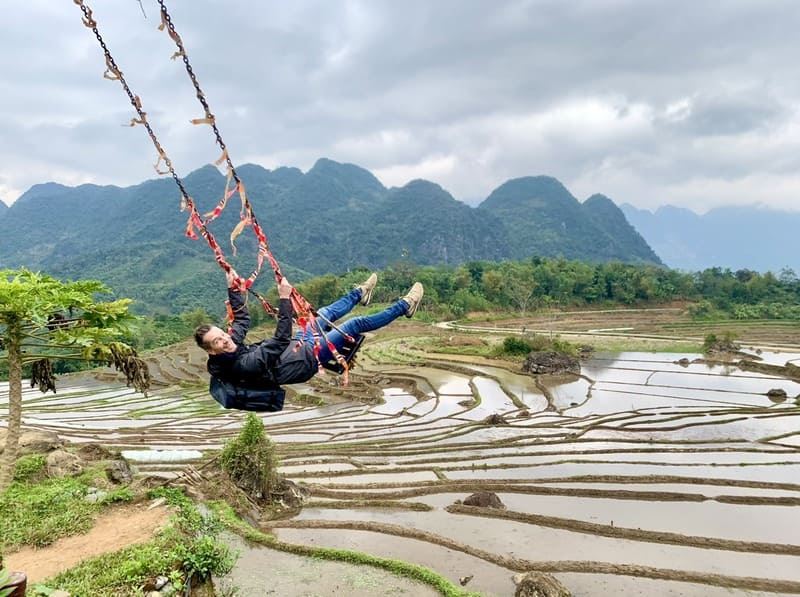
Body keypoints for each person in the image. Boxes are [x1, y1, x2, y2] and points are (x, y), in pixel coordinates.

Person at [194, 270, 424, 411]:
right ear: (211, 351)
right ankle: (405, 306)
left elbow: (241, 318)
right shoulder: (243, 365)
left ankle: (359, 294)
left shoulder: (229, 346)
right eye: (218, 341)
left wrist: (232, 287)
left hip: (297, 347)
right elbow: (280, 339)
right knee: (354, 324)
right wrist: (284, 298)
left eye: (222, 334)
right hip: (306, 361)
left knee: (322, 312)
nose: (226, 339)